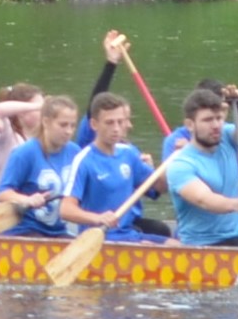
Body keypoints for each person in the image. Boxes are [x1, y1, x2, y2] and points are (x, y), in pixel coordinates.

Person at [168, 87, 238, 249]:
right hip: (200, 246)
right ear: (190, 125)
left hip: (237, 237)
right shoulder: (181, 165)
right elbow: (205, 200)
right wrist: (236, 204)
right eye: (207, 120)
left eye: (219, 118)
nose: (216, 125)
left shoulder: (227, 137)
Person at [61, 93, 166, 242]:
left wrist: (174, 163)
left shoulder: (128, 153)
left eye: (120, 122)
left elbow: (159, 188)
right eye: (109, 123)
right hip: (101, 238)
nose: (116, 128)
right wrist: (97, 218)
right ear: (94, 125)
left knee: (178, 246)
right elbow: (65, 209)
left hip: (129, 234)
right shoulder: (84, 160)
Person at [0, 95, 84, 238]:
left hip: (58, 231)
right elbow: (2, 193)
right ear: (46, 122)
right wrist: (27, 200)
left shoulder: (76, 152)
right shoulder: (25, 153)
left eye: (72, 125)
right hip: (27, 230)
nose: (68, 131)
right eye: (63, 125)